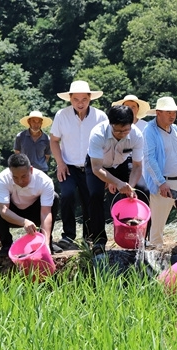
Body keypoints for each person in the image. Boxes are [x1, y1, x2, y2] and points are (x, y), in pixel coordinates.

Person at [50, 80, 107, 249]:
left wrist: (104, 171)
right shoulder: (62, 115)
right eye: (76, 99)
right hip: (68, 165)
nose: (80, 103)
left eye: (84, 99)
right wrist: (60, 163)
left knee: (91, 200)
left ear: (90, 98)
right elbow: (54, 140)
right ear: (70, 99)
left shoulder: (100, 117)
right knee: (67, 195)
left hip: (92, 166)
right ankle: (68, 235)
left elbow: (107, 144)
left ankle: (88, 237)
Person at [85, 105, 149, 254]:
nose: (122, 134)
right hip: (98, 165)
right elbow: (96, 168)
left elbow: (137, 166)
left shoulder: (136, 135)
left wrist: (129, 187)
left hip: (121, 164)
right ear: (110, 124)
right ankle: (99, 240)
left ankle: (141, 237)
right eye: (118, 131)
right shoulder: (98, 133)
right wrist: (116, 182)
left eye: (126, 130)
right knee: (95, 195)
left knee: (143, 190)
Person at [0, 153, 59, 255]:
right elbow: (3, 210)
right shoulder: (2, 178)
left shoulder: (44, 181)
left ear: (31, 170)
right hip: (12, 215)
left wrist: (46, 244)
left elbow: (46, 213)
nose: (20, 181)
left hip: (36, 214)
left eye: (24, 176)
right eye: (15, 177)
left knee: (55, 197)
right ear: (10, 172)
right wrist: (24, 222)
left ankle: (45, 242)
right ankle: (6, 245)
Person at [142, 96, 177, 248]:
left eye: (174, 112)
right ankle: (155, 255)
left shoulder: (175, 129)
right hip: (163, 183)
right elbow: (149, 159)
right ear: (158, 113)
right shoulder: (149, 130)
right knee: (158, 225)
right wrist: (161, 183)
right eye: (168, 112)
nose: (172, 115)